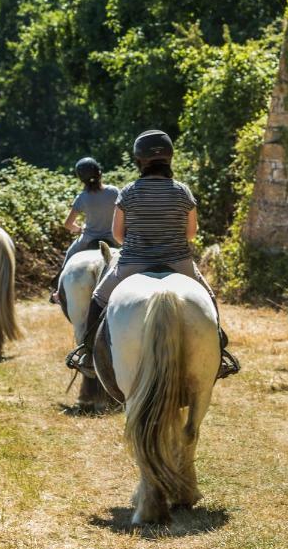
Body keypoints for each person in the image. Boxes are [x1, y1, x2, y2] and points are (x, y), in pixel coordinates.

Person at [66, 130, 240, 380]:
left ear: (139, 160)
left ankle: (86, 352)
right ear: (169, 158)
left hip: (133, 262)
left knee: (97, 298)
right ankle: (219, 353)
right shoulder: (183, 191)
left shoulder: (128, 192)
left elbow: (117, 235)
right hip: (178, 262)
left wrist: (139, 244)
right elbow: (191, 234)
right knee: (209, 299)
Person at [50, 157, 118, 303]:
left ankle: (58, 292)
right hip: (113, 238)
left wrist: (78, 229)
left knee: (69, 255)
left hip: (87, 239)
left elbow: (68, 224)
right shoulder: (113, 192)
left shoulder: (82, 197)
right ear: (100, 173)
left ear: (81, 179)